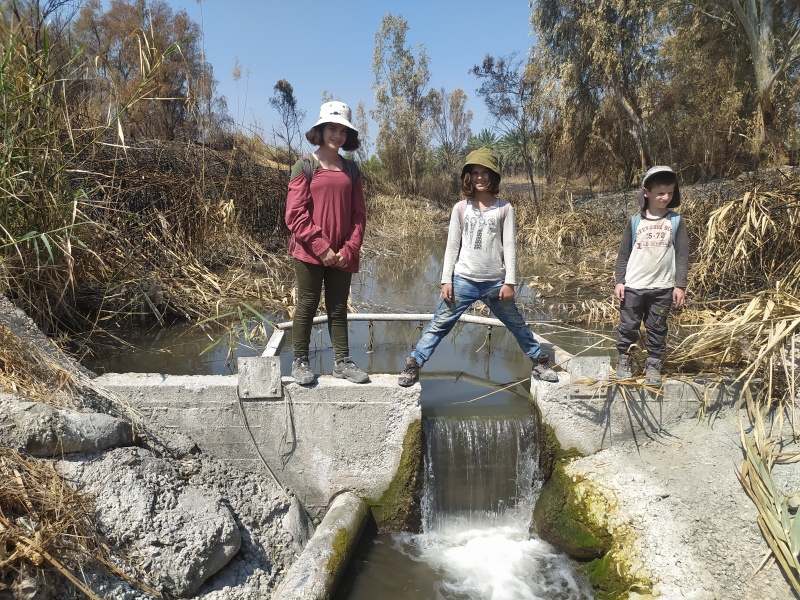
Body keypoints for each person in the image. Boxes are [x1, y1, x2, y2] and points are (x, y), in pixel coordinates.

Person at [398, 148, 558, 387]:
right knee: (440, 324)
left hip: (495, 282)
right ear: (468, 177)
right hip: (463, 279)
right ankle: (414, 364)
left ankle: (538, 361)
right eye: (475, 173)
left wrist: (510, 282)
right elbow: (452, 246)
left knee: (516, 324)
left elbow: (510, 247)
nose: (480, 178)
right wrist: (446, 280)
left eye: (485, 172)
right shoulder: (461, 208)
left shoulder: (504, 208)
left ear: (493, 176)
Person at [284, 101, 368, 385]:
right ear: (320, 130)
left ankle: (342, 361)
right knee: (307, 304)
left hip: (342, 255)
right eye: (332, 128)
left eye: (343, 130)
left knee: (338, 307)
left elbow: (359, 216)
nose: (338, 135)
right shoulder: (305, 165)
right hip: (310, 252)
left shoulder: (352, 170)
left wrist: (348, 249)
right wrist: (322, 247)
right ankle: (300, 360)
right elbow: (295, 214)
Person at [613, 165, 689, 385]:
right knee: (628, 326)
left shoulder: (675, 222)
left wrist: (680, 285)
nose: (665, 198)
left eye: (670, 193)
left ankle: (653, 365)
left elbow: (682, 255)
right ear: (646, 192)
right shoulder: (635, 222)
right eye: (660, 193)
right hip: (634, 286)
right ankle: (624, 360)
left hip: (662, 288)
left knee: (657, 328)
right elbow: (623, 255)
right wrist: (620, 281)